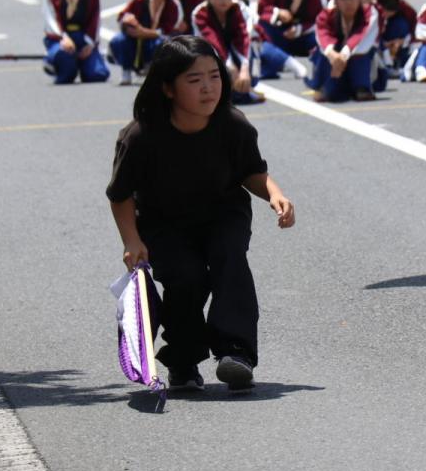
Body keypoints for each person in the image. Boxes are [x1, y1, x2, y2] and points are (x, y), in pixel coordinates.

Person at [107, 35, 295, 392]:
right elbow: (119, 196)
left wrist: (275, 194)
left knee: (230, 259)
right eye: (194, 80)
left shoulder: (233, 124)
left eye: (214, 76)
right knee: (186, 277)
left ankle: (236, 352)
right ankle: (183, 359)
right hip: (164, 223)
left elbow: (251, 172)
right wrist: (131, 239)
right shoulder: (140, 137)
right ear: (167, 88)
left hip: (223, 212)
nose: (209, 88)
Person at [306, 0, 379, 103]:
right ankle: (326, 86)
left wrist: (343, 55)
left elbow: (362, 36)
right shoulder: (326, 15)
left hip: (360, 65)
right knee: (321, 53)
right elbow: (323, 37)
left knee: (363, 51)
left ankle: (362, 88)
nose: (348, 2)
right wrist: (333, 55)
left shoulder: (369, 12)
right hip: (334, 64)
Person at [193, 0, 263, 104]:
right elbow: (212, 40)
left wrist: (244, 69)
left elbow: (244, 39)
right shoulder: (200, 13)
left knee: (254, 49)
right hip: (211, 53)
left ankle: (244, 89)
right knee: (214, 66)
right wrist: (230, 67)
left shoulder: (241, 9)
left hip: (236, 51)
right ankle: (224, 92)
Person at [43, 0, 109, 84]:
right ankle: (55, 62)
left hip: (83, 38)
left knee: (97, 74)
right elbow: (51, 19)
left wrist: (90, 44)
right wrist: (64, 38)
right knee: (65, 73)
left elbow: (95, 20)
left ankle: (83, 64)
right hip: (61, 39)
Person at [255, 0, 321, 80]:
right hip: (282, 35)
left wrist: (299, 29)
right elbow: (261, 8)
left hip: (306, 36)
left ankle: (281, 60)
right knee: (262, 31)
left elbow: (322, 19)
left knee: (320, 40)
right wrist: (277, 12)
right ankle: (283, 61)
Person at [111, 0, 182, 84]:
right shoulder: (139, 1)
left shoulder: (172, 6)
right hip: (136, 38)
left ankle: (155, 69)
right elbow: (122, 16)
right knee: (119, 40)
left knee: (164, 43)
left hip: (155, 40)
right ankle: (126, 70)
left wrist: (143, 32)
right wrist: (128, 21)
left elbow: (166, 30)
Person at [375, 0, 418, 74]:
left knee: (401, 25)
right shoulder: (374, 9)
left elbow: (415, 32)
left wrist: (402, 41)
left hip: (399, 40)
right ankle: (387, 63)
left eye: (388, 13)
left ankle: (401, 62)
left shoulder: (407, 10)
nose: (385, 15)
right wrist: (385, 44)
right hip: (380, 41)